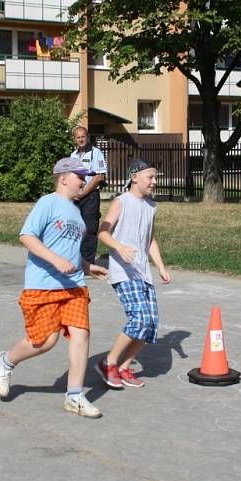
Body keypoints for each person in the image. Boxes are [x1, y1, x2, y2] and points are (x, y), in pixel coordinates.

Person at [0, 157, 109, 418]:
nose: (85, 181)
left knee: (81, 334)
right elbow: (27, 236)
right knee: (44, 341)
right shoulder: (47, 202)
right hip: (43, 285)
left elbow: (70, 251)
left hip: (74, 285)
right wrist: (55, 260)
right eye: (81, 176)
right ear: (64, 178)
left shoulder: (76, 212)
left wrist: (88, 267)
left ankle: (75, 396)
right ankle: (6, 361)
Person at [95, 159, 171, 389]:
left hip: (143, 273)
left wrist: (160, 266)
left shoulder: (151, 206)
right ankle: (108, 363)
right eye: (151, 177)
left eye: (156, 177)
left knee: (150, 324)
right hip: (123, 271)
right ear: (135, 177)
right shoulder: (121, 202)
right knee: (139, 318)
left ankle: (124, 367)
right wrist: (119, 247)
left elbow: (150, 240)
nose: (155, 182)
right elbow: (103, 232)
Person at [70, 127, 107, 264]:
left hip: (90, 196)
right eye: (78, 137)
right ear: (74, 139)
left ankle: (88, 263)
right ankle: (75, 261)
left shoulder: (96, 153)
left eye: (83, 136)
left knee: (89, 229)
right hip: (75, 197)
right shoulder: (73, 155)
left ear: (87, 137)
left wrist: (84, 192)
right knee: (75, 228)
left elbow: (99, 177)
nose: (81, 139)